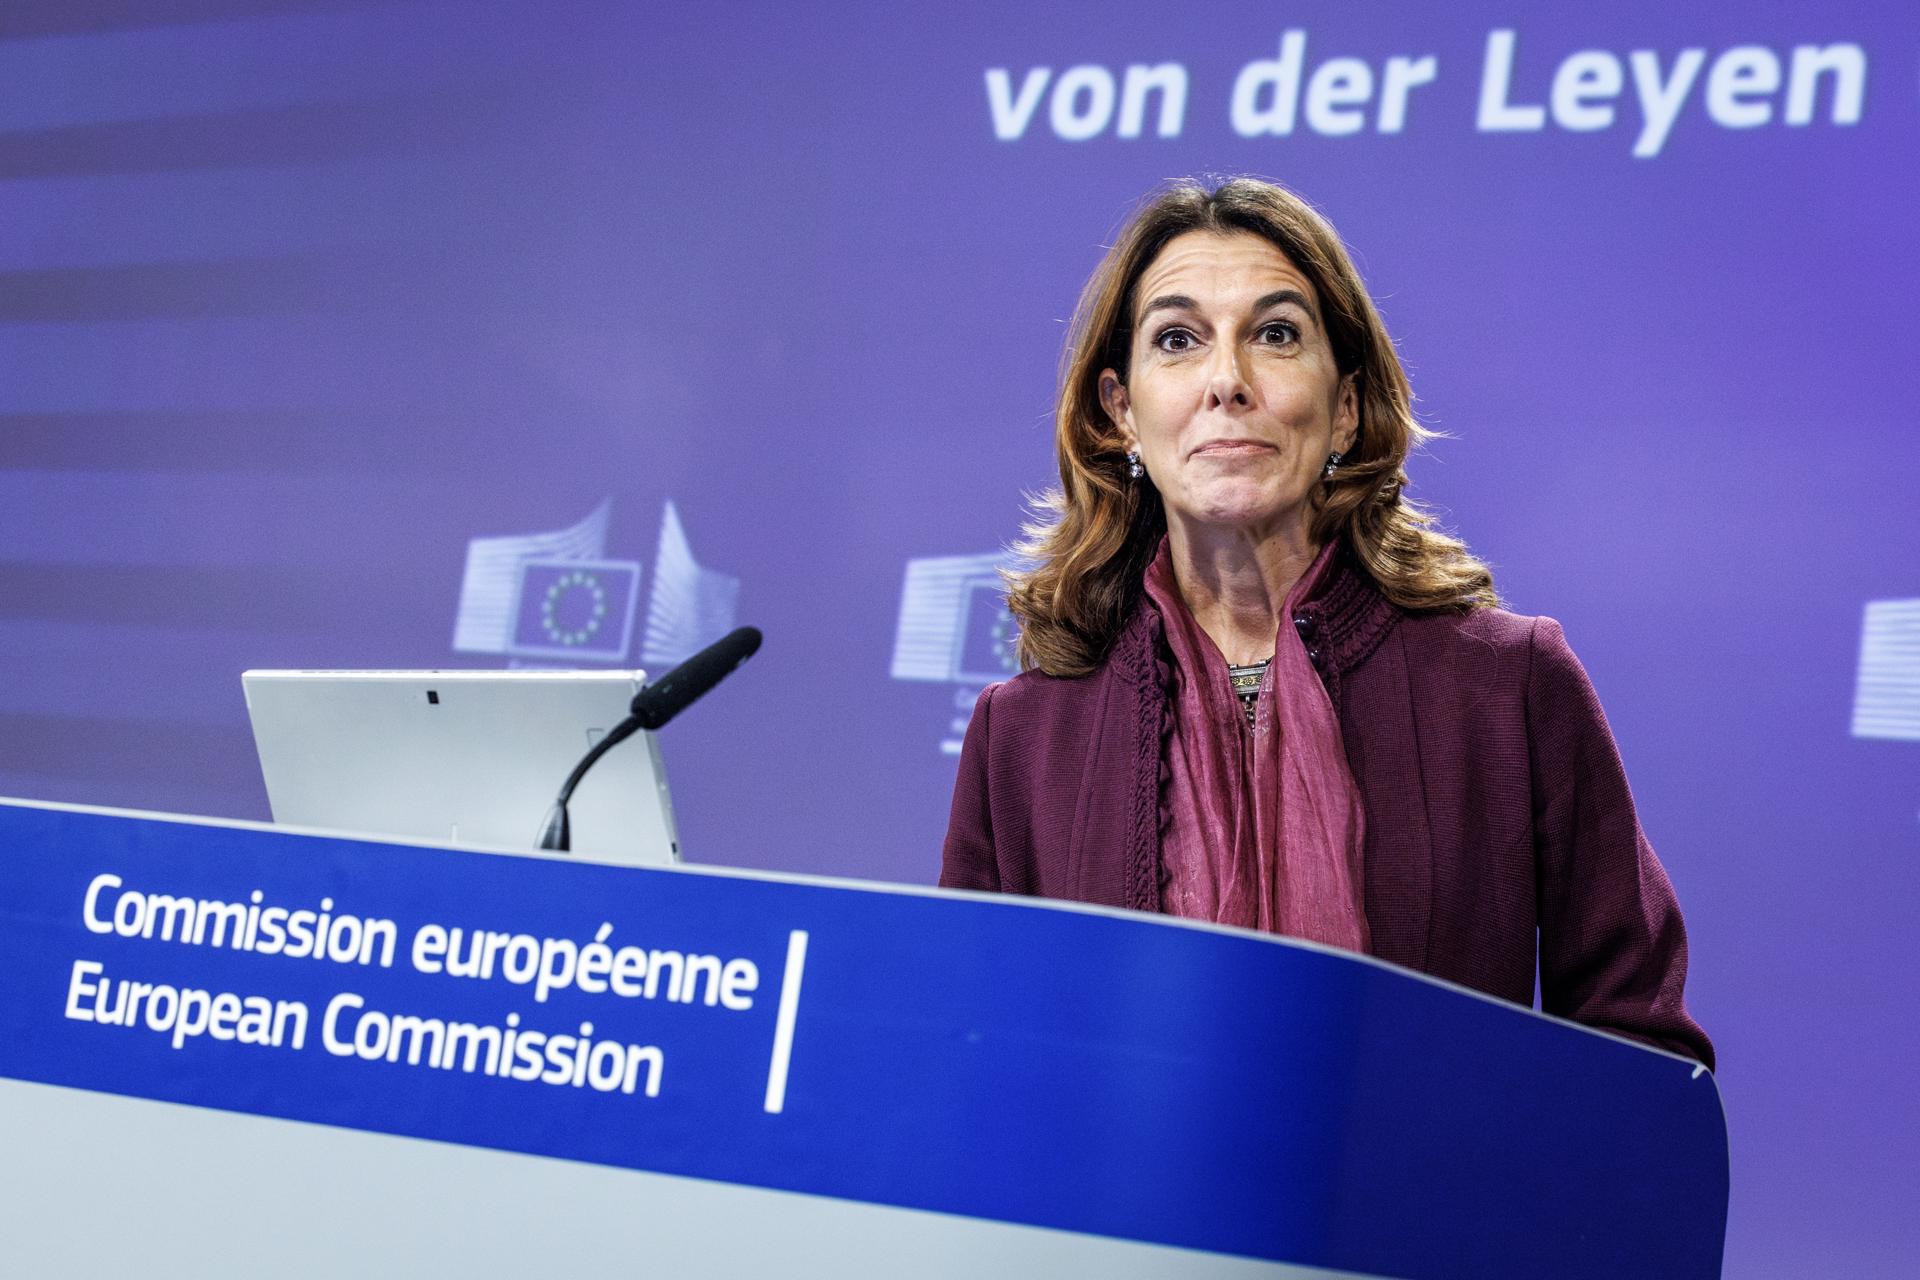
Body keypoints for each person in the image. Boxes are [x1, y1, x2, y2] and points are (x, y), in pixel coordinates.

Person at [939, 177, 1712, 1069]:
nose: (1227, 381)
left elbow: (1642, 1045)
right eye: (1178, 340)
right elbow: (973, 1055)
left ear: (1346, 405)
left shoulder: (1510, 687)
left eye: (1275, 334)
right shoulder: (1023, 734)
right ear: (1122, 415)